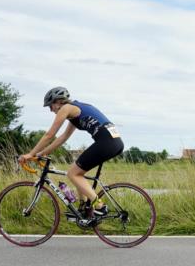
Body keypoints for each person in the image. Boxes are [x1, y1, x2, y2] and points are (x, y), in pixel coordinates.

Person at [19, 87, 124, 219]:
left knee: (72, 174)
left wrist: (30, 154)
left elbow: (50, 134)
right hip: (114, 142)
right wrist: (41, 153)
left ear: (57, 102)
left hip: (106, 142)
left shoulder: (66, 108)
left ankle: (100, 206)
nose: (51, 110)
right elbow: (63, 137)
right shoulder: (74, 110)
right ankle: (85, 209)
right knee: (78, 173)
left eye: (50, 106)